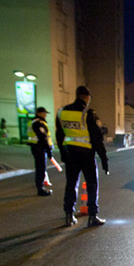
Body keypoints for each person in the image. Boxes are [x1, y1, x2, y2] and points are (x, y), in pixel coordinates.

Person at [56, 85, 109, 227]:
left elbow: (59, 135)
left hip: (70, 154)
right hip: (86, 155)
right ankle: (92, 216)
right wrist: (104, 160)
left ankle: (68, 215)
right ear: (86, 98)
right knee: (91, 185)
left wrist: (62, 152)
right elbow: (97, 139)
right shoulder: (87, 114)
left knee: (71, 184)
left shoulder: (62, 112)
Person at [27, 107, 53, 196]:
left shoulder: (33, 122)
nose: (45, 115)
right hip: (39, 148)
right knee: (41, 169)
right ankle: (40, 189)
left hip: (36, 147)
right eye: (44, 113)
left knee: (40, 168)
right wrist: (49, 150)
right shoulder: (38, 123)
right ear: (39, 113)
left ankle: (39, 186)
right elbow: (43, 137)